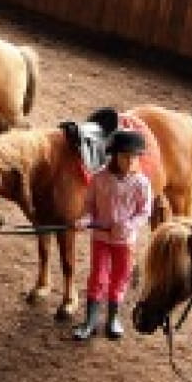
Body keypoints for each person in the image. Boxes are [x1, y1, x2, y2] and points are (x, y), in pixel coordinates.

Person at [71, 130, 152, 341]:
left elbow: (144, 211)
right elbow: (89, 205)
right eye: (125, 156)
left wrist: (129, 226)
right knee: (97, 276)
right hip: (101, 238)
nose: (130, 161)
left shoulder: (142, 183)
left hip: (124, 241)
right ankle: (89, 321)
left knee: (120, 277)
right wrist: (86, 219)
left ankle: (113, 318)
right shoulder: (99, 178)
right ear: (114, 155)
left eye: (134, 157)